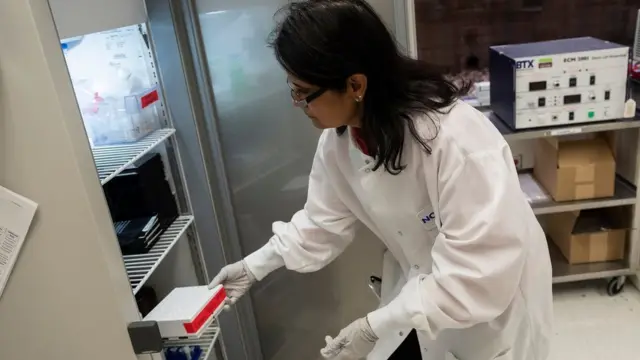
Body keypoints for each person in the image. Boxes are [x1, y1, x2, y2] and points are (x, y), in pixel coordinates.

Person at [209, 1, 553, 359]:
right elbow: (321, 222)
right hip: (426, 290)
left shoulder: (458, 142)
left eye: (303, 92)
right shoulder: (341, 143)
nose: (297, 103)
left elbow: (478, 275)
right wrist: (254, 266)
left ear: (355, 84)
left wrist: (373, 325)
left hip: (491, 300)